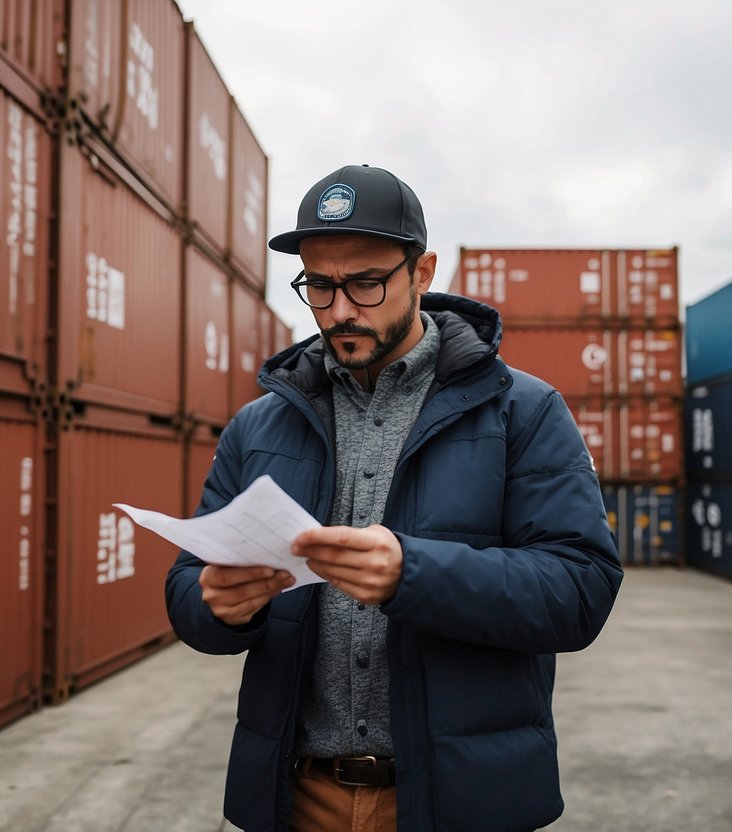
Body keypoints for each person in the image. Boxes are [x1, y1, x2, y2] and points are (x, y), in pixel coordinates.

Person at [166, 164, 623, 831]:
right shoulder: (256, 426)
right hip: (297, 799)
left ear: (422, 271)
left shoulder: (521, 412)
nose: (340, 309)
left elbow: (580, 591)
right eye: (318, 286)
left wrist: (415, 574)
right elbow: (186, 591)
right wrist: (217, 605)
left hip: (458, 800)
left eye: (366, 283)